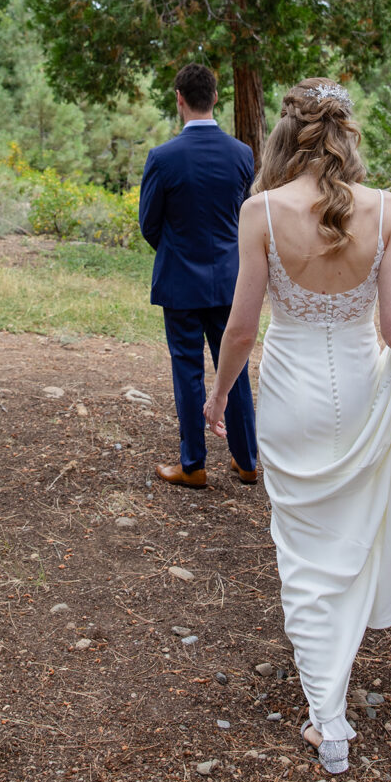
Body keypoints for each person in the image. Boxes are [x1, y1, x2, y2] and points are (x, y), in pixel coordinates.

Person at [203, 78, 391, 773]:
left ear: (283, 136)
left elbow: (240, 329)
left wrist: (217, 397)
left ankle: (327, 719)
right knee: (352, 539)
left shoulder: (260, 212)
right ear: (345, 133)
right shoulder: (389, 210)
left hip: (293, 395)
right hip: (363, 393)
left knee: (301, 551)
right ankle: (331, 692)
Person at [139, 63, 258, 488]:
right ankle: (247, 461)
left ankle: (193, 465)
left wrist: (178, 252)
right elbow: (245, 217)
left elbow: (148, 224)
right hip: (230, 280)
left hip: (180, 283)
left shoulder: (162, 157)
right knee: (236, 367)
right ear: (216, 98)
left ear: (179, 99)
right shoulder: (242, 155)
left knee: (187, 369)